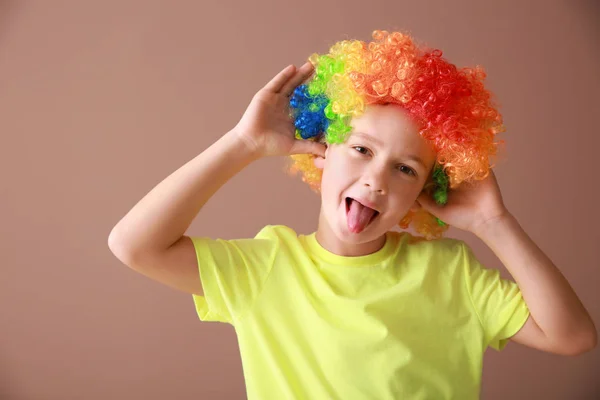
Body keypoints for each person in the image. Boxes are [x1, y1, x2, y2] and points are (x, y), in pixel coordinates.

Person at [108, 30, 597, 399]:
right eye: (361, 148)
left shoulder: (451, 273)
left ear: (427, 192)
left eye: (405, 168)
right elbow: (134, 246)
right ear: (321, 151)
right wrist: (243, 145)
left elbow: (572, 337)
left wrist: (495, 223)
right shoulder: (266, 268)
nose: (376, 179)